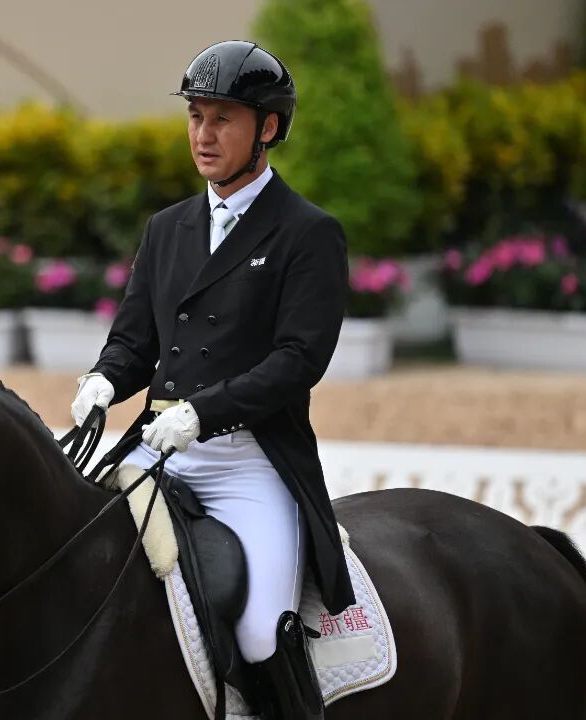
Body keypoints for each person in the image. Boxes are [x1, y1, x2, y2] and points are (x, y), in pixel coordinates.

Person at [70, 40, 354, 719]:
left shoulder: (307, 233)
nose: (204, 134)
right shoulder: (167, 228)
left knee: (261, 630)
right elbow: (135, 341)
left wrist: (203, 413)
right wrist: (104, 378)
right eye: (196, 116)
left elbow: (298, 359)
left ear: (269, 128)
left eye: (223, 118)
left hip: (249, 460)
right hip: (156, 449)